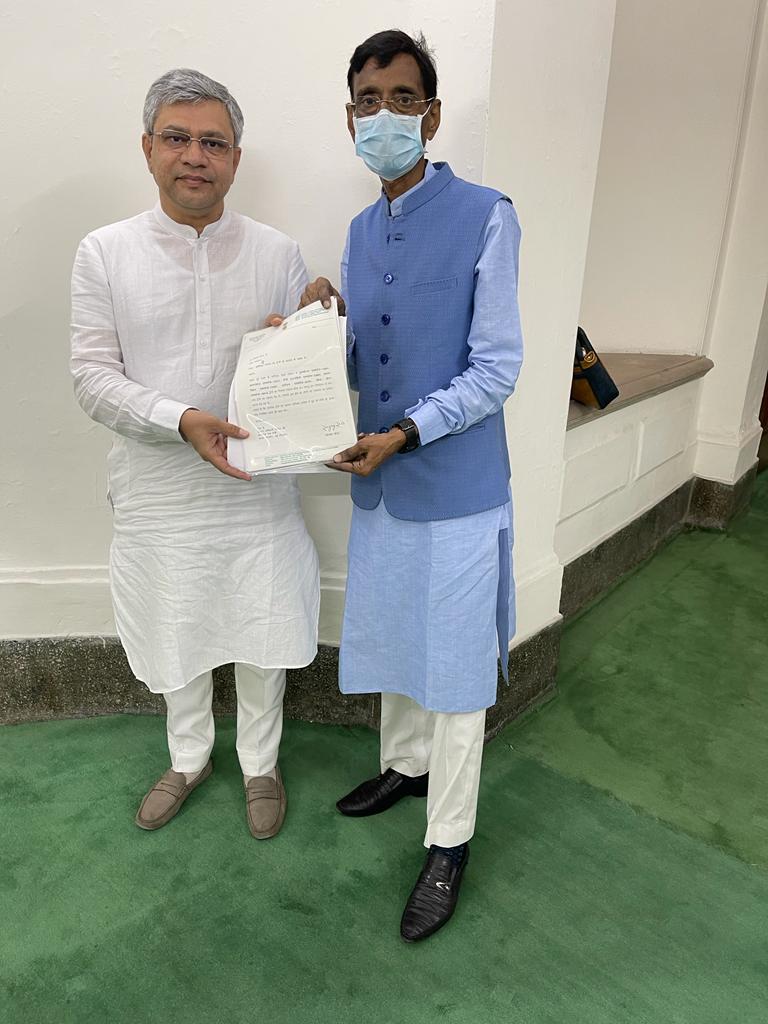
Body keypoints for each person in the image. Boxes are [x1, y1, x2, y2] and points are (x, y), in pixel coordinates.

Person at [301, 30, 524, 941]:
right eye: (368, 99)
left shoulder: (486, 213)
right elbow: (369, 360)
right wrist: (320, 331)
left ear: (430, 117)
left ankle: (450, 839)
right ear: (349, 116)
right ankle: (406, 765)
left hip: (459, 488)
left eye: (402, 98)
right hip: (383, 485)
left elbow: (497, 367)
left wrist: (405, 433)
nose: (383, 114)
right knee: (394, 635)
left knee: (458, 668)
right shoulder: (361, 232)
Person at [70, 68, 319, 840]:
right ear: (148, 148)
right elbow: (92, 377)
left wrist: (318, 330)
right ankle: (187, 757)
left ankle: (260, 763)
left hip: (253, 488)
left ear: (236, 158)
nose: (195, 156)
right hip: (158, 491)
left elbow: (299, 368)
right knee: (172, 619)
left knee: (263, 624)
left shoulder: (277, 252)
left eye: (214, 142)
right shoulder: (104, 252)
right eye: (177, 138)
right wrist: (180, 419)